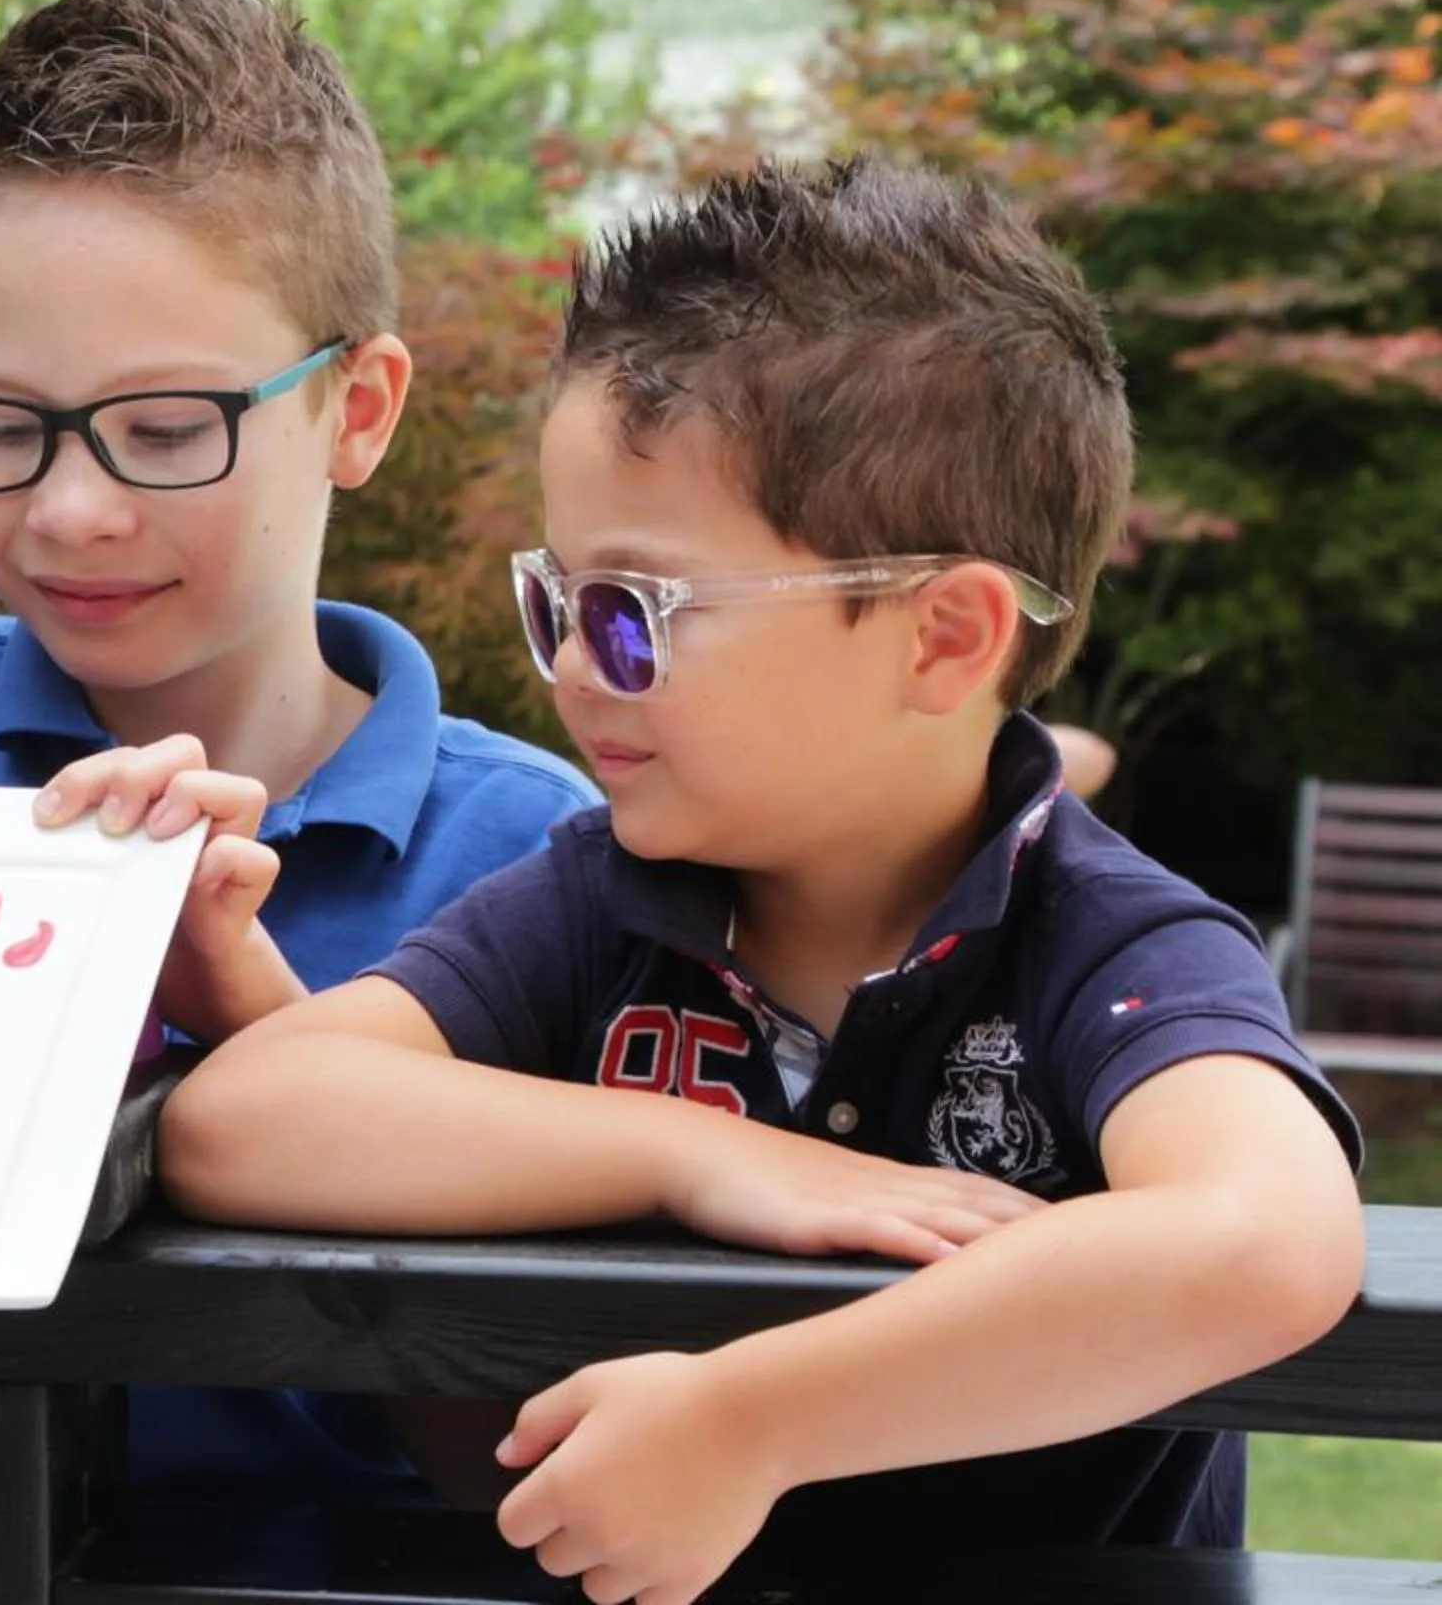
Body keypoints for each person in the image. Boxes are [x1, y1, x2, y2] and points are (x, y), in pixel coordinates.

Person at [160, 157, 1364, 1602]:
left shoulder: (1105, 942)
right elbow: (242, 1122)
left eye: (638, 614)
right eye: (558, 603)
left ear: (942, 640)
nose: (572, 673)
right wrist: (712, 1154)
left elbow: (1269, 1239)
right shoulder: (600, 898)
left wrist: (754, 1425)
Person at [0, 0, 597, 1497]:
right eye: (4, 426)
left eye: (168, 429)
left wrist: (264, 1035)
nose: (72, 512)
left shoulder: (536, 858)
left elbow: (527, 1470)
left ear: (355, 411)